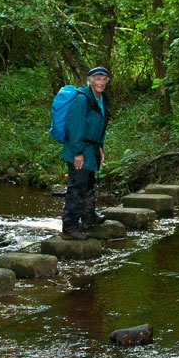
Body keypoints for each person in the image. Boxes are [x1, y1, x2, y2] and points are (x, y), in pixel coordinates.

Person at [61, 66, 110, 240]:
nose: (101, 83)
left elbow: (100, 125)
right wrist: (78, 152)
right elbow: (75, 127)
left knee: (88, 185)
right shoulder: (82, 99)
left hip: (92, 149)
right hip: (79, 150)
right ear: (90, 80)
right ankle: (69, 228)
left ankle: (89, 218)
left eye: (104, 79)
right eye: (98, 79)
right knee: (77, 188)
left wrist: (101, 147)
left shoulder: (101, 99)